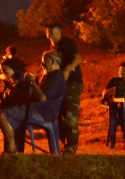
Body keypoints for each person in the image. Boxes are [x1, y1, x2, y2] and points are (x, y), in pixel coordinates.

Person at [0, 50, 68, 155]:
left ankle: (11, 151)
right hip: (38, 110)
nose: (42, 65)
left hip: (40, 112)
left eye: (44, 63)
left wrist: (31, 82)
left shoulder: (56, 77)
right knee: (10, 114)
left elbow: (42, 98)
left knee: (4, 115)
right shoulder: (50, 76)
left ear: (53, 62)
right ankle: (16, 149)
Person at [46, 22, 83, 155]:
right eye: (47, 31)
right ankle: (65, 143)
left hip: (72, 82)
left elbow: (77, 59)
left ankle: (72, 146)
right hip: (59, 84)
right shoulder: (52, 47)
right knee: (57, 114)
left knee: (70, 115)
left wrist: (68, 70)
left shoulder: (67, 43)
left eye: (52, 30)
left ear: (60, 31)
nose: (49, 33)